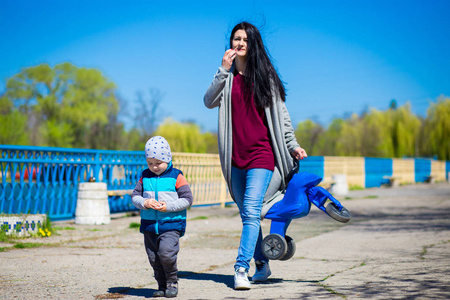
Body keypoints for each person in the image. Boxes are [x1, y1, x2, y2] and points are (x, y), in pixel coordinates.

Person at [203, 22, 307, 290]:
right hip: (235, 158)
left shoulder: (265, 78)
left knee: (251, 211)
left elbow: (282, 118)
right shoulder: (227, 79)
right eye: (236, 39)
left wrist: (293, 145)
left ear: (252, 45)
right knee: (246, 213)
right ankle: (263, 264)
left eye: (244, 40)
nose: (239, 43)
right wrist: (222, 70)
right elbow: (208, 101)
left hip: (262, 155)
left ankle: (241, 268)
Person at [131, 136, 193, 298]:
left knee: (166, 253)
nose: (154, 167)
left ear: (167, 158)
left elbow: (187, 199)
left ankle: (172, 281)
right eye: (150, 163)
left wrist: (168, 207)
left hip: (171, 224)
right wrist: (145, 202)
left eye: (158, 163)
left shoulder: (176, 176)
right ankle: (161, 285)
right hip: (150, 225)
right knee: (153, 257)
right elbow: (135, 196)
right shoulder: (145, 176)